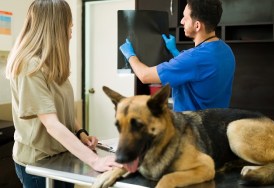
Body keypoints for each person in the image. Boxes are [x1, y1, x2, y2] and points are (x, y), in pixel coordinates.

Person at [5, 0, 122, 187]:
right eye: (69, 26)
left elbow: (61, 110)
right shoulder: (30, 66)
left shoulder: (52, 65)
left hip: (60, 156)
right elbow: (51, 123)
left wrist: (80, 132)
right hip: (39, 162)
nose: (70, 33)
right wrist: (94, 160)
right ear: (55, 28)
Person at [119, 0, 236, 112]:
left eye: (185, 18)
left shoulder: (193, 58)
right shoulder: (226, 50)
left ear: (197, 26)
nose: (181, 21)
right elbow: (196, 71)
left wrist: (130, 55)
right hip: (216, 124)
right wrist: (174, 51)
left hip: (192, 128)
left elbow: (145, 76)